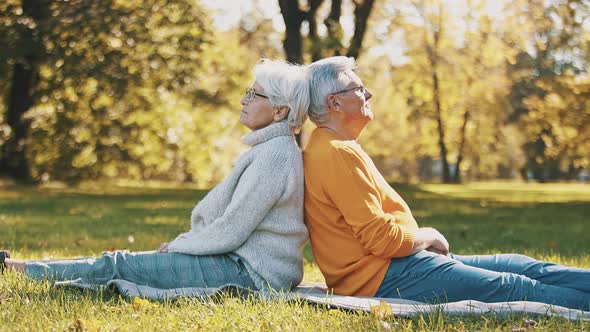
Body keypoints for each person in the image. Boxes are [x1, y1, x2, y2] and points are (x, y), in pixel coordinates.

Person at [302, 56, 590, 310]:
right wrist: (429, 235)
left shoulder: (330, 145)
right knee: (514, 285)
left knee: (520, 265)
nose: (370, 93)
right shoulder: (336, 152)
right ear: (335, 102)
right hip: (384, 276)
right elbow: (382, 239)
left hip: (401, 264)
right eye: (359, 89)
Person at [0, 59, 310, 293]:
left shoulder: (275, 154)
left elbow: (233, 227)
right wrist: (186, 242)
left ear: (280, 111)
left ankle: (16, 270)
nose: (244, 100)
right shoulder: (270, 149)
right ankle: (19, 268)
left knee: (120, 266)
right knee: (120, 262)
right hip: (238, 263)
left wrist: (181, 246)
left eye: (254, 95)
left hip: (248, 272)